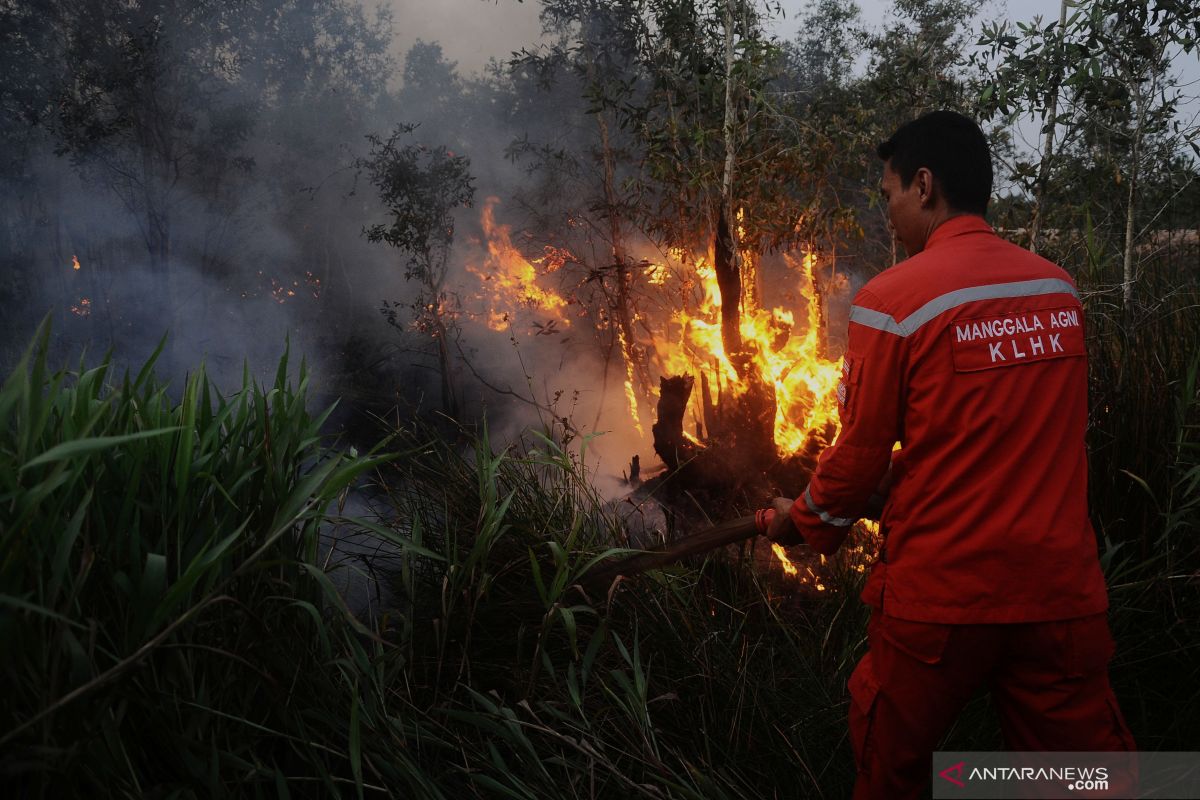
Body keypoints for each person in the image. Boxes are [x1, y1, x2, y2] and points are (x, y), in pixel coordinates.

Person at [766, 111, 1136, 800]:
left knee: (893, 770)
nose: (888, 214)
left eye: (888, 195)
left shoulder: (892, 302)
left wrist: (804, 521)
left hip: (941, 600)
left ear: (925, 185)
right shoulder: (1058, 293)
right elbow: (1017, 434)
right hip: (1058, 596)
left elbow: (856, 463)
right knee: (1087, 781)